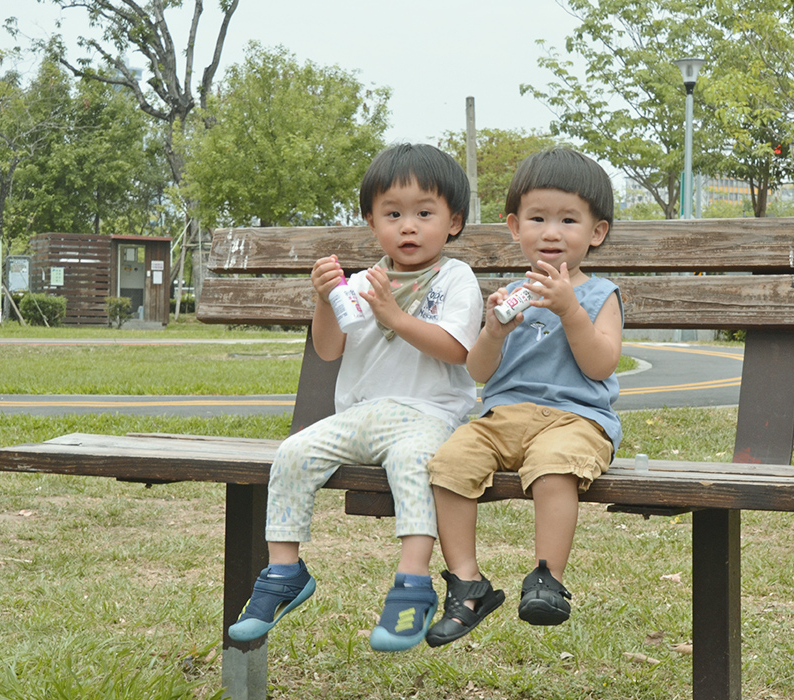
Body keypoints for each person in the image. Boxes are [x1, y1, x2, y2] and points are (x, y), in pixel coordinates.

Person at [228, 143, 483, 653]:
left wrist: (394, 316)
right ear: (372, 222)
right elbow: (329, 349)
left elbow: (458, 351)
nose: (408, 226)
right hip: (361, 417)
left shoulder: (455, 278)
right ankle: (284, 572)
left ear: (453, 222)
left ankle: (413, 581)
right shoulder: (363, 282)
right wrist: (326, 300)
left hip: (427, 415)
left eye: (424, 213)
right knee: (293, 453)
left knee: (415, 464)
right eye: (393, 214)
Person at [424, 147, 623, 647]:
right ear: (515, 226)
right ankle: (468, 584)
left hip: (575, 419)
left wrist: (570, 310)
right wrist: (491, 331)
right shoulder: (513, 294)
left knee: (555, 467)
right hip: (503, 416)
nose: (551, 232)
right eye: (537, 218)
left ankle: (546, 578)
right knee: (449, 462)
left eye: (569, 220)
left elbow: (601, 364)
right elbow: (478, 369)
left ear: (596, 233)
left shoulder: (600, 295)